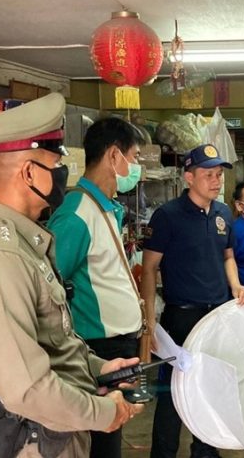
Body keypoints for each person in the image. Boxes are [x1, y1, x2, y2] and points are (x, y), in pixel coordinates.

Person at [0, 93, 143, 458]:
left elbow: (53, 339)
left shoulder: (26, 241)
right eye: (56, 164)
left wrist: (97, 367)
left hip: (54, 433)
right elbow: (25, 387)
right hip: (29, 440)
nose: (63, 174)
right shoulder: (1, 257)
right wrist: (105, 412)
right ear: (29, 172)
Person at [140, 143, 244, 458]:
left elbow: (228, 256)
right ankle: (163, 453)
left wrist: (236, 286)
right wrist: (149, 320)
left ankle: (205, 451)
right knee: (172, 395)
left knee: (211, 391)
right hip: (180, 318)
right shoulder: (168, 216)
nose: (216, 181)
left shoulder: (223, 214)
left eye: (219, 175)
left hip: (216, 318)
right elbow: (148, 269)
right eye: (208, 175)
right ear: (189, 177)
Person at [47, 117, 148, 458]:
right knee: (100, 438)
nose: (136, 168)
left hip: (115, 347)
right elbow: (48, 283)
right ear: (114, 156)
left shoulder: (105, 207)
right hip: (96, 349)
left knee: (112, 429)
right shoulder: (77, 214)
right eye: (134, 158)